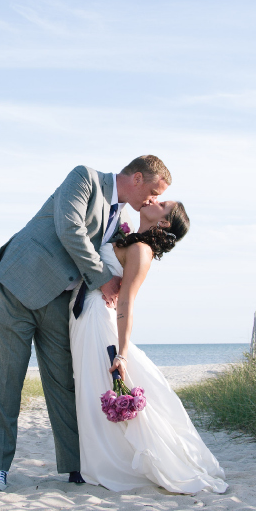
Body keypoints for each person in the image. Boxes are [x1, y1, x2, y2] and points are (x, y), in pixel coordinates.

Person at [0, 156, 170, 490]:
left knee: (63, 382)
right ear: (138, 178)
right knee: (7, 377)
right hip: (20, 283)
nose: (152, 201)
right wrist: (101, 278)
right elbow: (69, 228)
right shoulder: (85, 177)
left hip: (61, 300)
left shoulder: (123, 218)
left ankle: (74, 466)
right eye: (153, 192)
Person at [69, 199, 227, 494]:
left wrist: (123, 353)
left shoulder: (142, 251)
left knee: (95, 388)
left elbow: (127, 301)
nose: (154, 200)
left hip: (97, 320)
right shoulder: (127, 236)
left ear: (165, 222)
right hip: (85, 314)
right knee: (88, 388)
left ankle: (109, 463)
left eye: (163, 203)